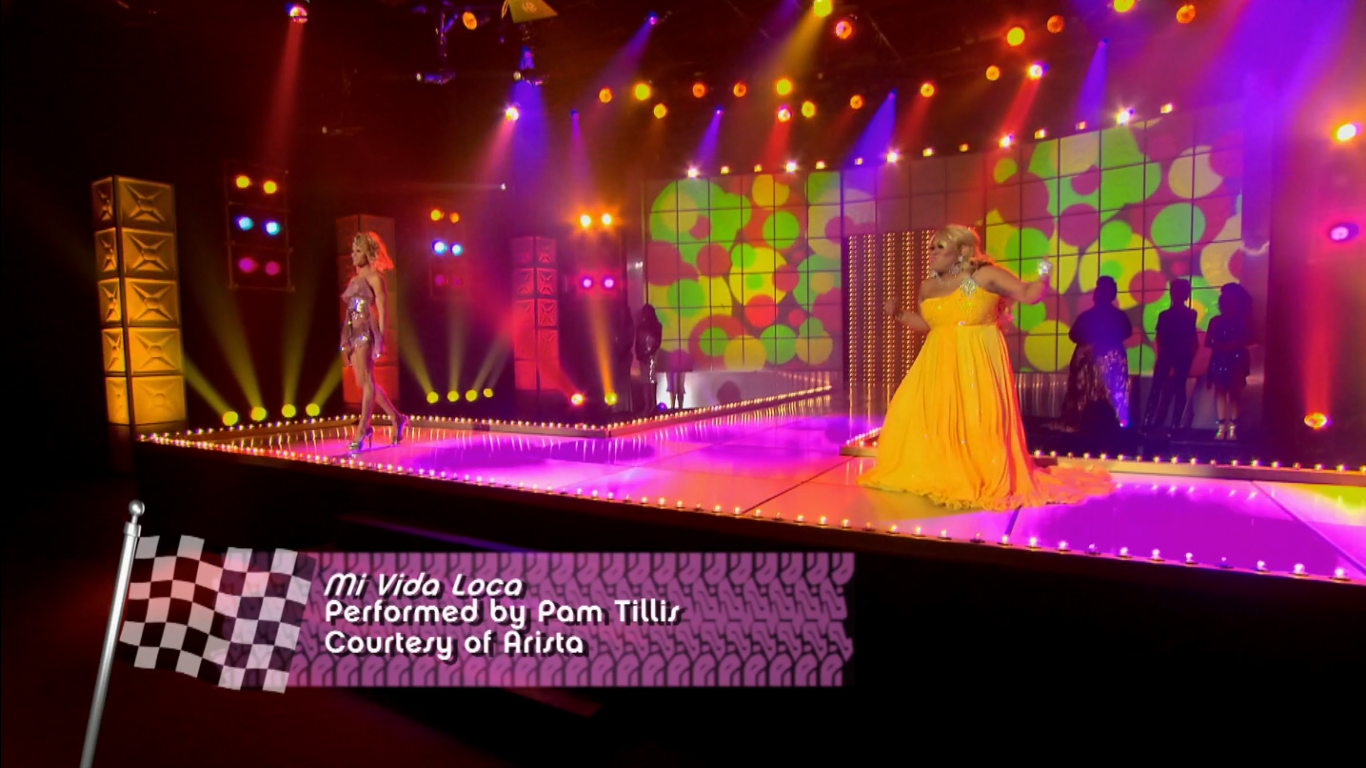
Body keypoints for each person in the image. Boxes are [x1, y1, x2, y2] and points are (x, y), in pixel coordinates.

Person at [858, 225, 1112, 510]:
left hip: (975, 362)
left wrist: (1043, 273)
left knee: (976, 420)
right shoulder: (929, 286)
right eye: (930, 247)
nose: (931, 252)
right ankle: (939, 472)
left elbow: (1027, 294)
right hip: (935, 364)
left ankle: (978, 475)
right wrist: (899, 314)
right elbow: (930, 324)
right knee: (915, 414)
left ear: (962, 250)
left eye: (939, 246)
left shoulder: (979, 277)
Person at [341, 231, 407, 450]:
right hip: (352, 331)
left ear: (368, 253)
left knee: (367, 381)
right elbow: (350, 311)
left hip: (366, 332)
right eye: (353, 250)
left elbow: (382, 310)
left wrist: (381, 337)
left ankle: (363, 427)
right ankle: (396, 417)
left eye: (358, 251)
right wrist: (346, 336)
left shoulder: (376, 279)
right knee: (362, 382)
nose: (353, 255)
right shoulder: (354, 279)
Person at [1062, 276, 1134, 431]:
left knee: (1093, 392)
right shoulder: (1118, 316)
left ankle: (1083, 422)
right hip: (1106, 359)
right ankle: (1112, 424)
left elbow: (1073, 334)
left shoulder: (1087, 316)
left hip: (1098, 359)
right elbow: (1127, 332)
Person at [1142, 279, 1198, 433]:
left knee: (1158, 388)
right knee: (1177, 389)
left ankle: (1148, 422)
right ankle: (1173, 424)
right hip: (1180, 354)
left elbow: (1161, 337)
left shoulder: (1166, 315)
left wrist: (1162, 355)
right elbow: (1190, 338)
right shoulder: (1189, 314)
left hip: (1169, 354)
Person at [1206, 282, 1254, 440]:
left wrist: (1228, 345)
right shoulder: (1218, 321)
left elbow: (1250, 339)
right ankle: (1225, 427)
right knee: (1225, 393)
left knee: (1231, 393)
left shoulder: (1240, 321)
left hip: (1233, 359)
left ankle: (1229, 428)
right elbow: (1208, 342)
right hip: (1223, 359)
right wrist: (1226, 345)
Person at [634, 304, 662, 414]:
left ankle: (652, 404)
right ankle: (647, 405)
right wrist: (639, 354)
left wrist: (650, 353)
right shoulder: (640, 326)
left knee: (651, 380)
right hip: (643, 356)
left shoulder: (656, 326)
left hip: (651, 356)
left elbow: (657, 342)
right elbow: (637, 342)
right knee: (644, 381)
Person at [611, 301, 636, 412]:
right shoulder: (616, 326)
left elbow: (629, 341)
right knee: (617, 381)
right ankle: (618, 405)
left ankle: (626, 406)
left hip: (625, 355)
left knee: (625, 382)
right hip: (618, 356)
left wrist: (622, 352)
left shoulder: (628, 326)